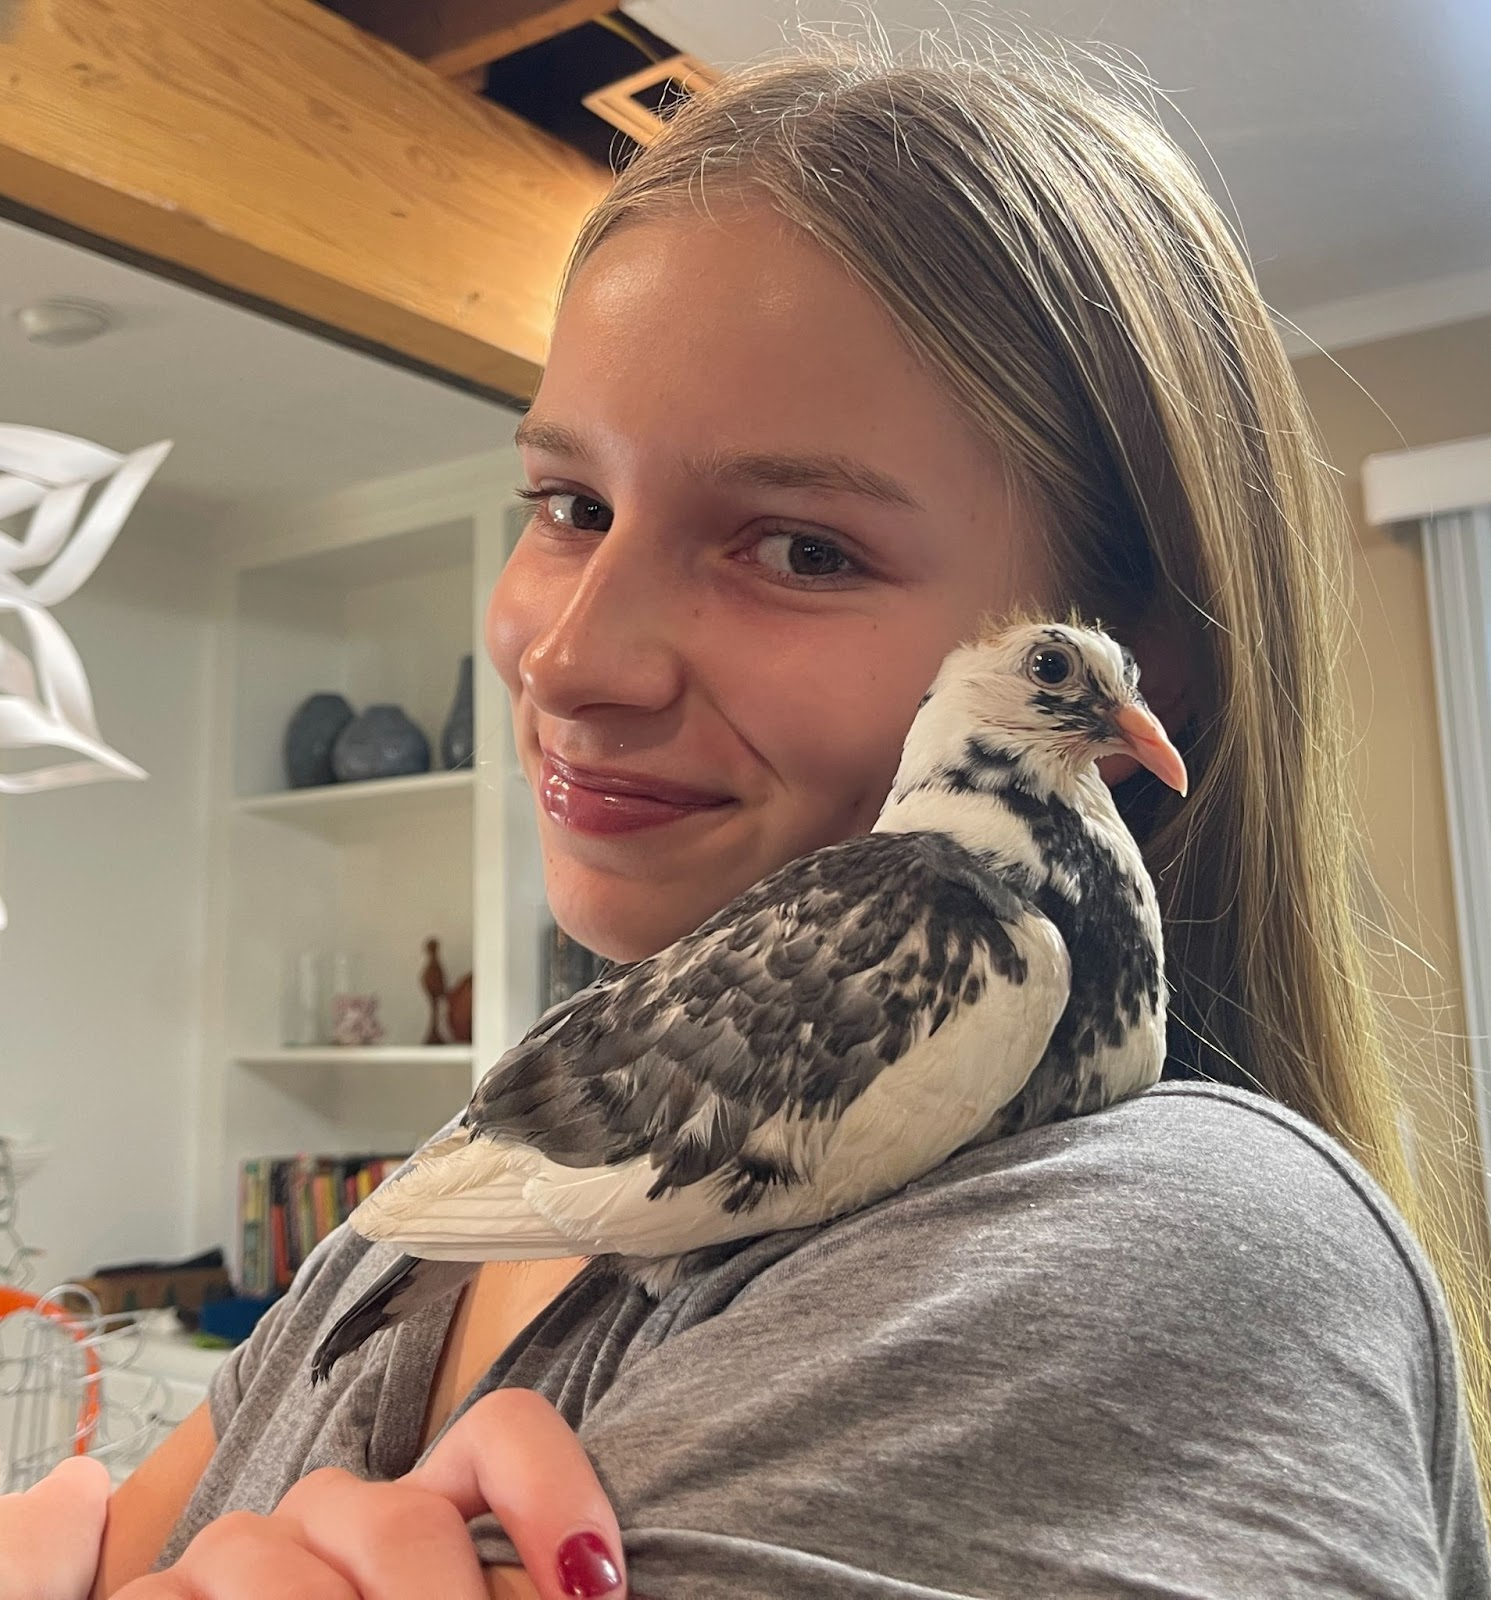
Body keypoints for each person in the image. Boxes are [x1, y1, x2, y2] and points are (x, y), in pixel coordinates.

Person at [9, 29, 1491, 1600]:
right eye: (569, 505)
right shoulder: (414, 1222)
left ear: (1152, 685)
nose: (568, 660)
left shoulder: (1166, 1276)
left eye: (798, 548)